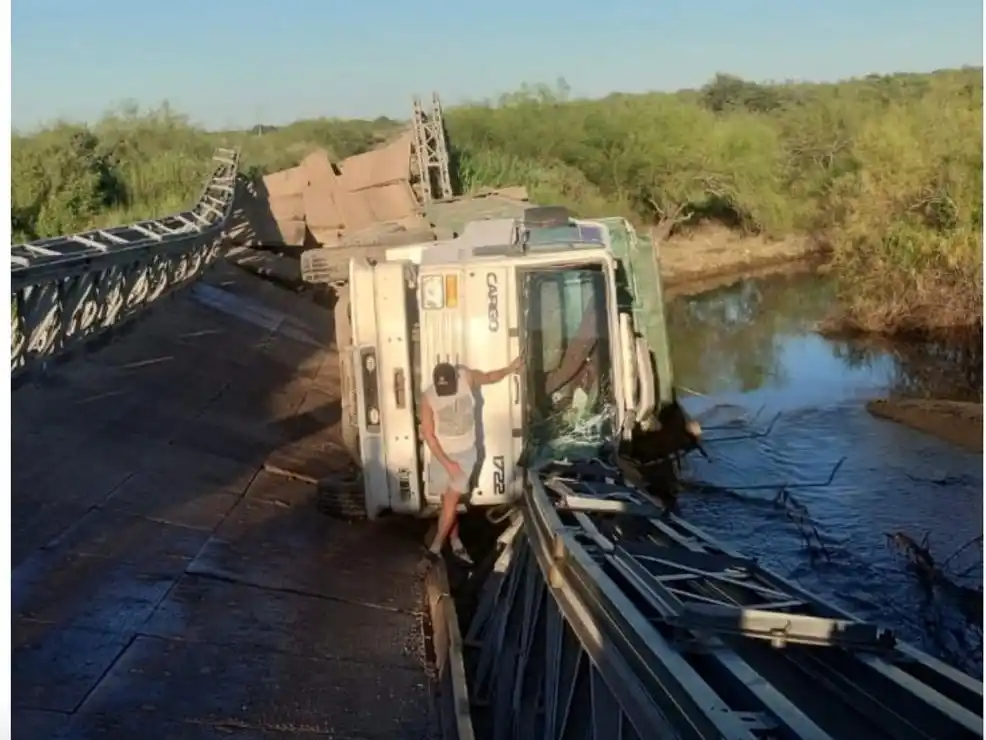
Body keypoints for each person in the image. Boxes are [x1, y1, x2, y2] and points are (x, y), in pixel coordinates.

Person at [419, 356, 523, 569]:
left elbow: (489, 377)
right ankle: (454, 539)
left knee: (450, 502)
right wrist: (447, 464)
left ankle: (435, 549)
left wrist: (509, 368)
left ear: (455, 378)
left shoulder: (467, 378)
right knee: (447, 503)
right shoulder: (428, 398)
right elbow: (429, 436)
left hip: (465, 454)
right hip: (441, 454)